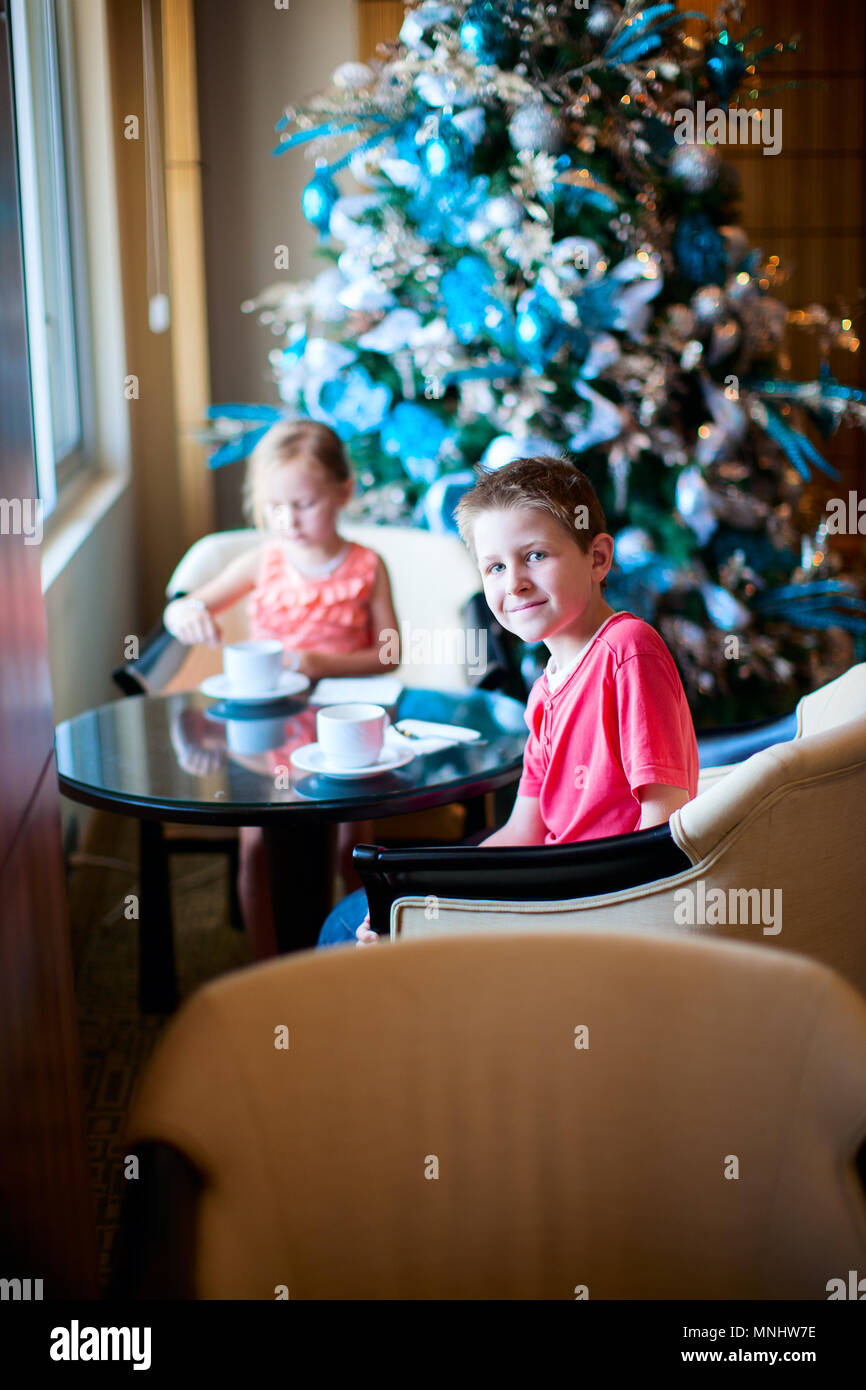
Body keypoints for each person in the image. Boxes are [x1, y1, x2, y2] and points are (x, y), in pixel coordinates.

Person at [318, 453, 699, 948]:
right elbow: (523, 831)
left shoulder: (627, 651)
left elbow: (660, 833)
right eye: (494, 566)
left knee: (347, 931)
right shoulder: (544, 693)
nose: (513, 582)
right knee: (365, 918)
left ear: (598, 558)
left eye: (536, 555)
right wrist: (429, 893)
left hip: (600, 911)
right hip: (555, 888)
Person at [163, 418, 400, 959]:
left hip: (343, 732)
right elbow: (187, 604)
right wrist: (186, 613)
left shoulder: (366, 566)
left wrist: (320, 661)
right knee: (256, 851)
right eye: (276, 507)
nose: (288, 521)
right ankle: (266, 967)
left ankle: (347, 951)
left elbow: (390, 653)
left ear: (344, 491)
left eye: (305, 504)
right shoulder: (264, 561)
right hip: (266, 732)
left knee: (348, 850)